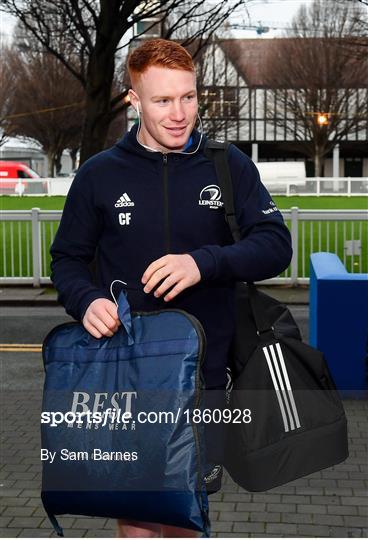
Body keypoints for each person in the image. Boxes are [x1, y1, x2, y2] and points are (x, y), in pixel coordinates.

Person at [50, 38, 293, 537]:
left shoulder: (228, 166)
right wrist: (87, 299)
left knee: (186, 516)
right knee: (137, 520)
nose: (180, 113)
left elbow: (275, 245)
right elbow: (67, 260)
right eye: (162, 100)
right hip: (125, 376)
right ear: (133, 101)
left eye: (189, 97)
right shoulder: (98, 175)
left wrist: (205, 262)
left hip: (204, 378)